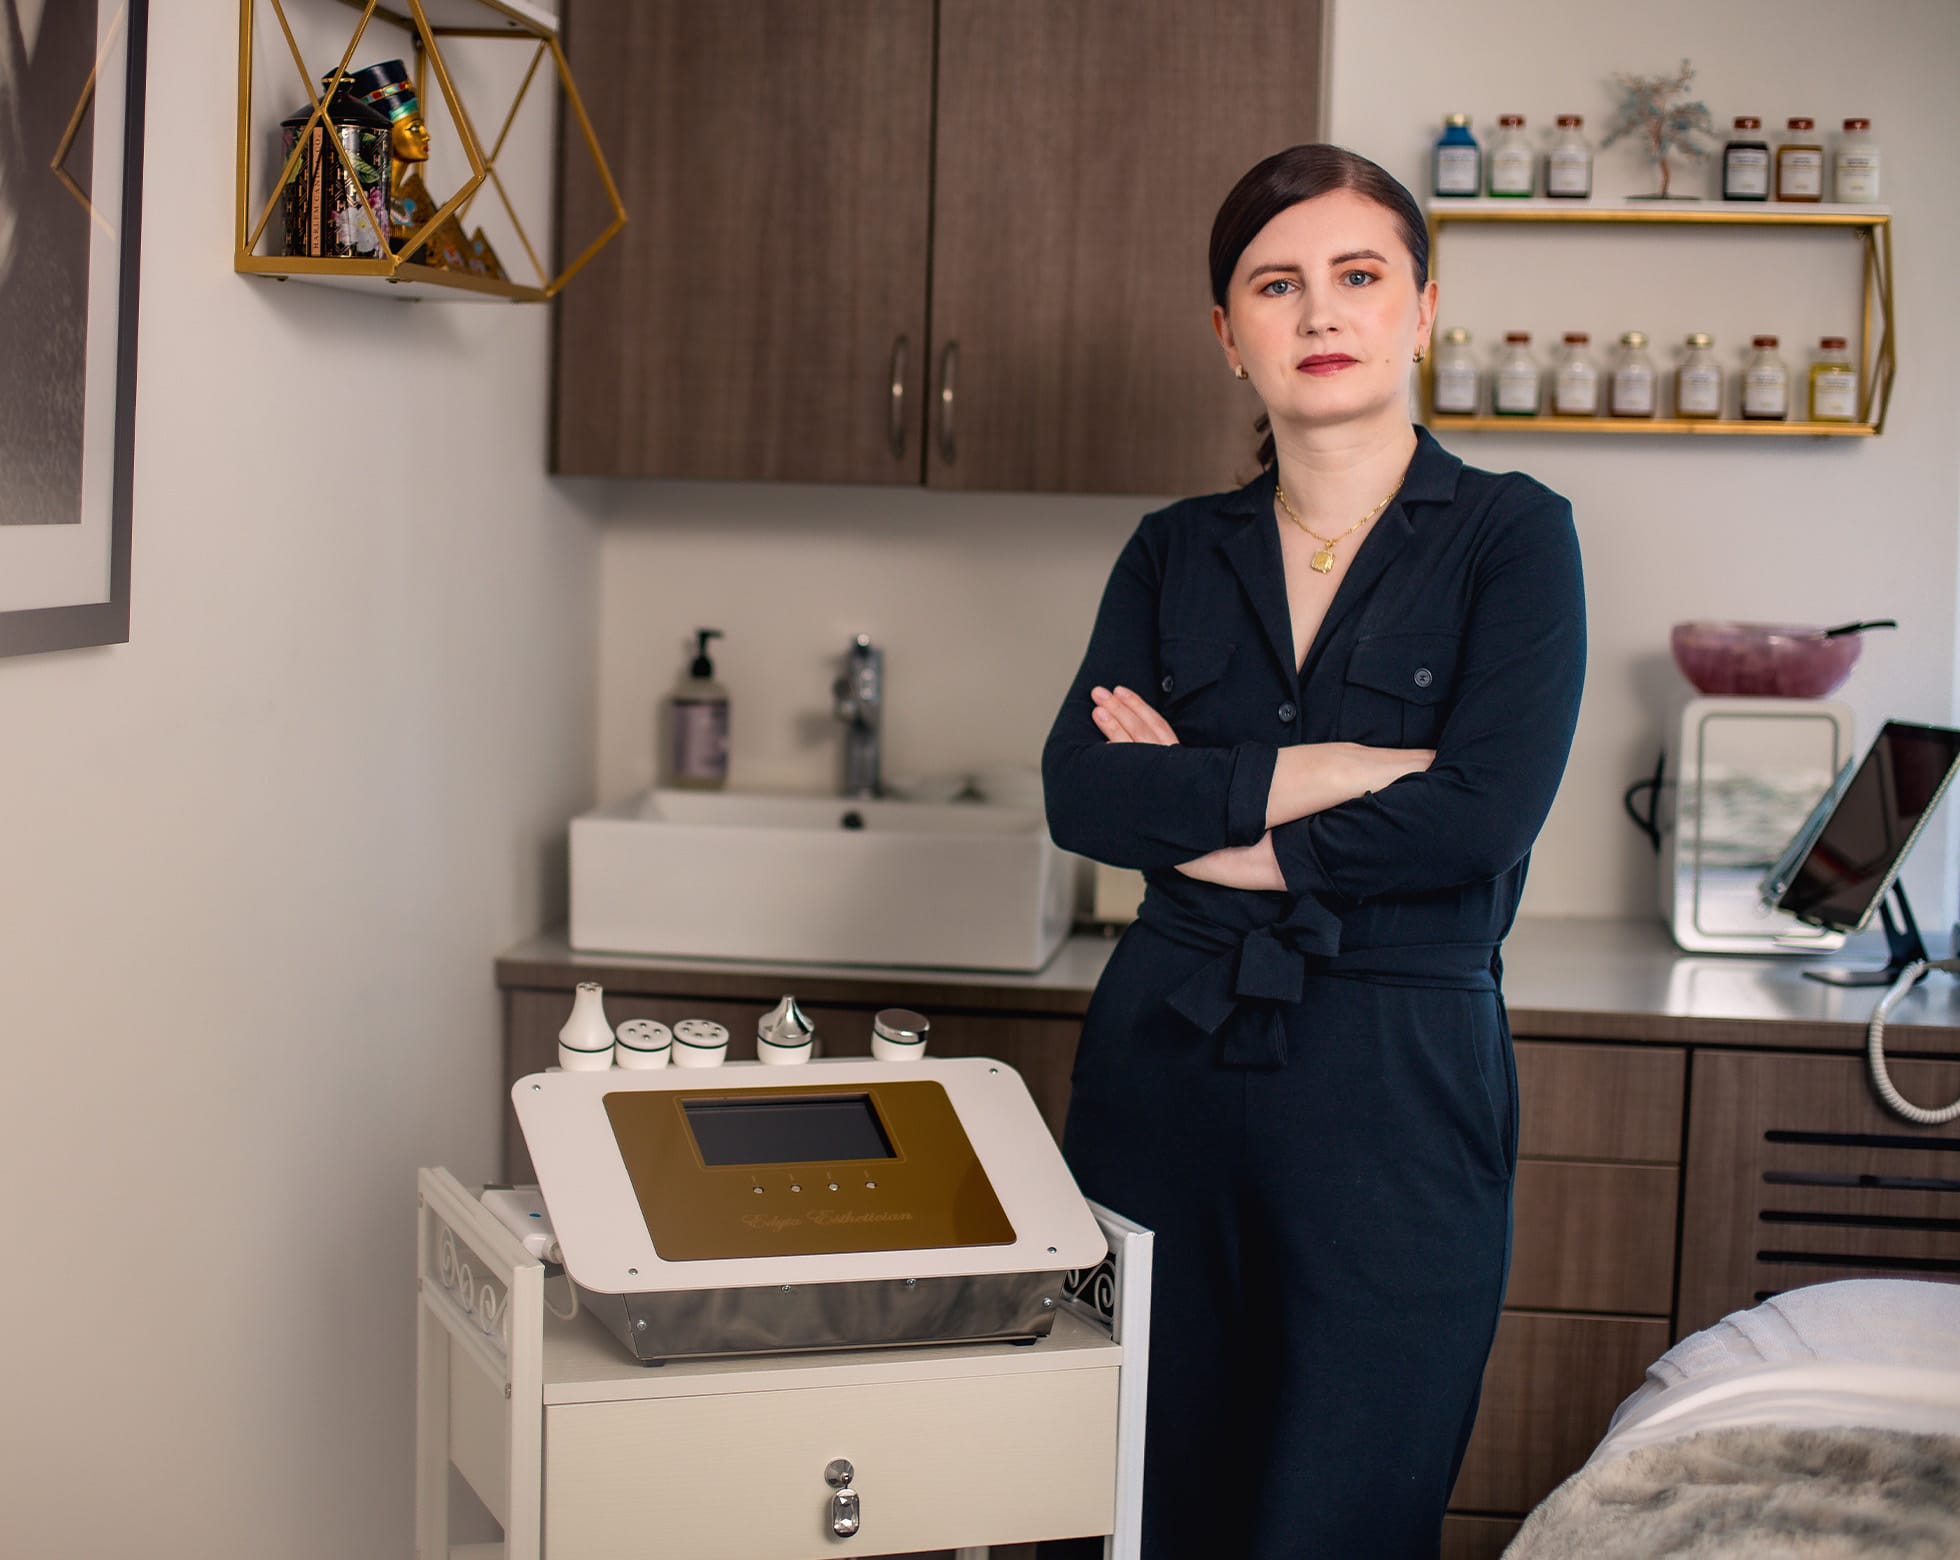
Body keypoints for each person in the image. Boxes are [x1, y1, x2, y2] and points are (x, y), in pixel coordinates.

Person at [1041, 144, 1585, 1559]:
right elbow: (1087, 799)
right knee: (1141, 1497)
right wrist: (1333, 772)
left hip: (1395, 1083)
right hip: (1162, 1061)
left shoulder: (1515, 539)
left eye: (1359, 276)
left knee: (1346, 1504)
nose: (1320, 312)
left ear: (1422, 309)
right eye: (1276, 285)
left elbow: (1482, 815)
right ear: (1230, 337)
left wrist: (1220, 826)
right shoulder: (1173, 553)